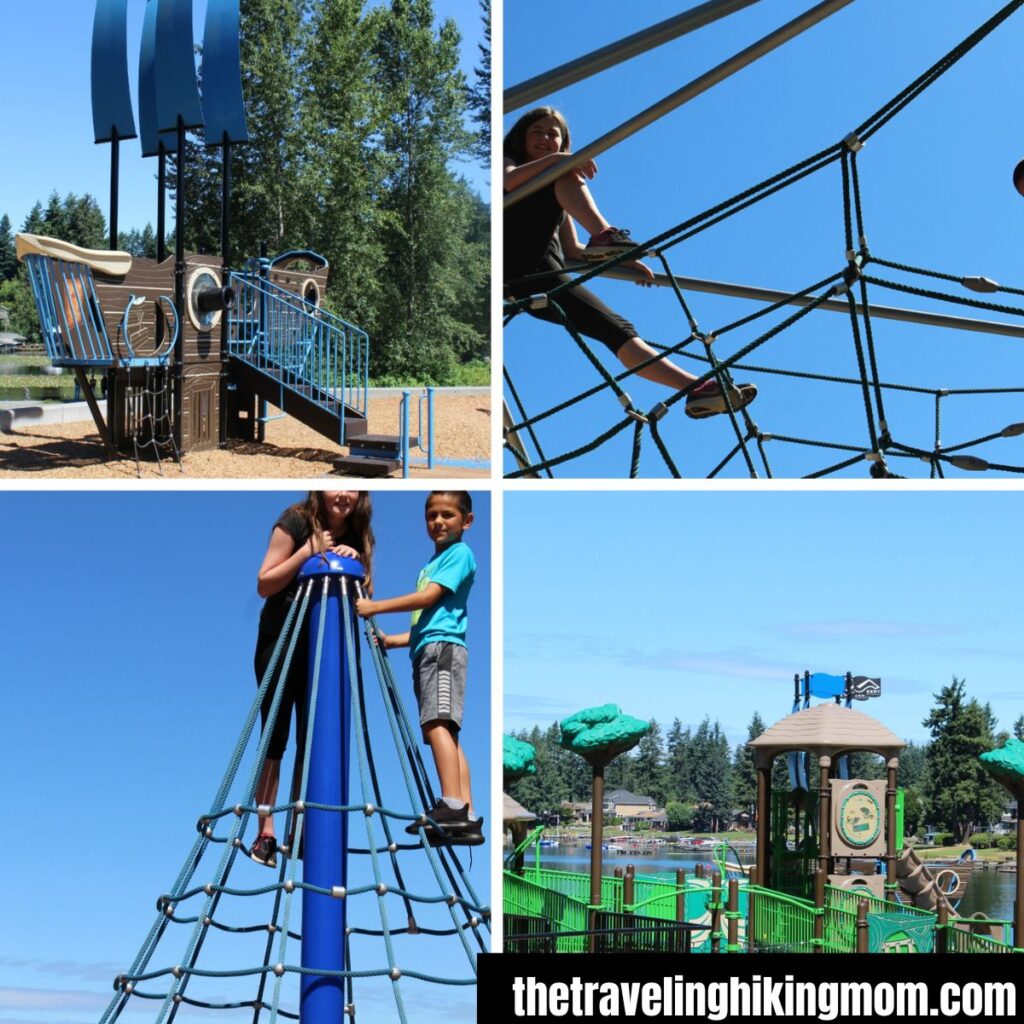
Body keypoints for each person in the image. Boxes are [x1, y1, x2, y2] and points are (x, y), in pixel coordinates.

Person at [504, 106, 757, 419]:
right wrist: (563, 162)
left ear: (562, 142)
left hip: (543, 279)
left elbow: (572, 250)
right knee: (560, 176)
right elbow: (510, 180)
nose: (545, 138)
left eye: (553, 134)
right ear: (521, 138)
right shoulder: (512, 164)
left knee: (616, 329)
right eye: (537, 132)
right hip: (519, 268)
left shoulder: (555, 192)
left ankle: (696, 389)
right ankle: (605, 234)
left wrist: (622, 263)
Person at [250, 491, 375, 868]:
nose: (344, 495)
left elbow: (366, 595)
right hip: (283, 636)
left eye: (353, 489)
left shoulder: (359, 533)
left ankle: (303, 827)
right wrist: (307, 552)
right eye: (339, 487)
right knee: (275, 735)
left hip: (325, 643)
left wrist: (358, 566)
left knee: (316, 735)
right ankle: (266, 830)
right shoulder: (296, 520)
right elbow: (264, 582)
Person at [355, 491, 482, 845]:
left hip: (441, 651)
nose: (438, 522)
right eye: (431, 516)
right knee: (444, 730)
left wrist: (375, 607)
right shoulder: (433, 563)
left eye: (447, 515)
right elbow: (425, 623)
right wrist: (392, 641)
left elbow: (428, 600)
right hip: (430, 646)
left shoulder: (459, 555)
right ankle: (465, 813)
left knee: (437, 723)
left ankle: (453, 804)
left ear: (466, 521)